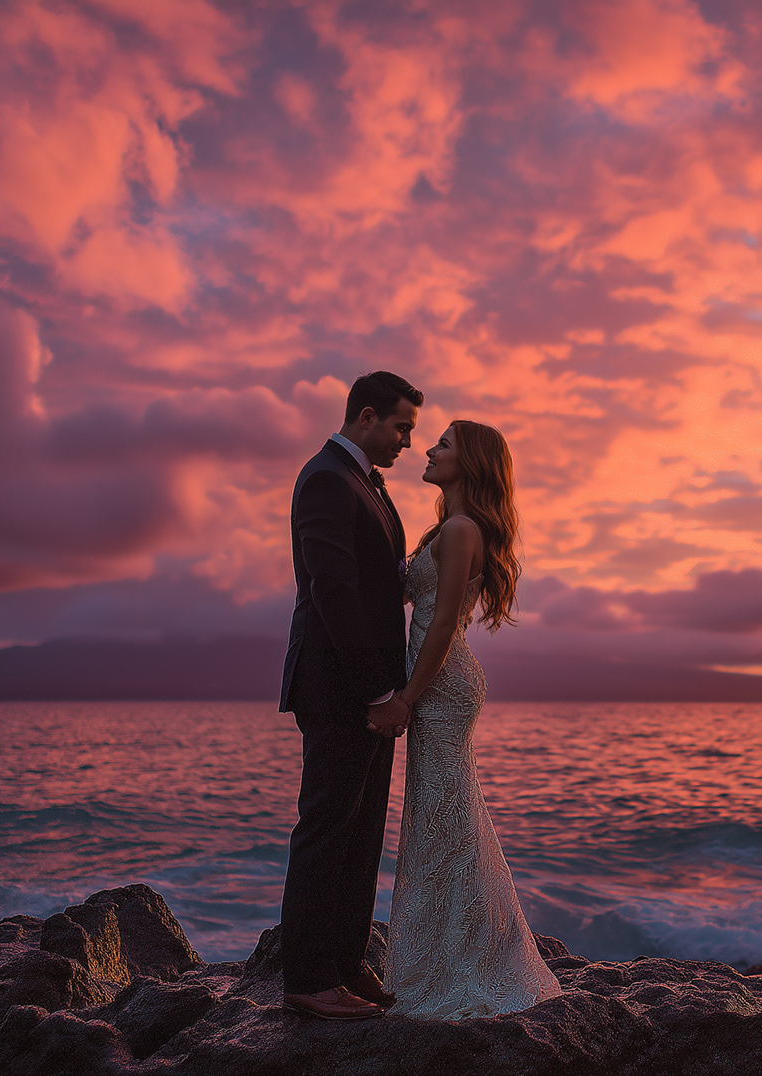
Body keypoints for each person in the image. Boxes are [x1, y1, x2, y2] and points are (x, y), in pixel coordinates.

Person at [383, 420, 563, 1019]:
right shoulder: (450, 527)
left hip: (440, 683)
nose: (429, 451)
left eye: (444, 445)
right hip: (440, 680)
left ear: (472, 462)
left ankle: (459, 961)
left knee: (442, 814)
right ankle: (454, 948)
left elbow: (438, 625)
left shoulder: (461, 530)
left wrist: (407, 696)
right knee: (443, 813)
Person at [277, 371, 421, 1022]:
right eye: (401, 428)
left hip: (371, 689)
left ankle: (345, 960)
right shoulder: (327, 479)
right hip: (340, 688)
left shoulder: (366, 483)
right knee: (328, 830)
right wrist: (377, 692)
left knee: (362, 834)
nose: (407, 442)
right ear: (366, 417)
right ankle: (308, 977)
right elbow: (334, 592)